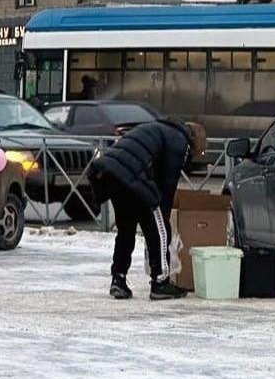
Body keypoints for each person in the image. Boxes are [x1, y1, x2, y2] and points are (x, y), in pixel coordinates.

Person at [88, 119, 207, 301]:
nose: (199, 154)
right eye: (201, 150)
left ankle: (118, 280)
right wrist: (163, 214)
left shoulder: (162, 129)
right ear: (195, 140)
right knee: (159, 231)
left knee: (126, 229)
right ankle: (161, 282)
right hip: (132, 175)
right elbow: (167, 182)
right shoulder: (178, 141)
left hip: (112, 173)